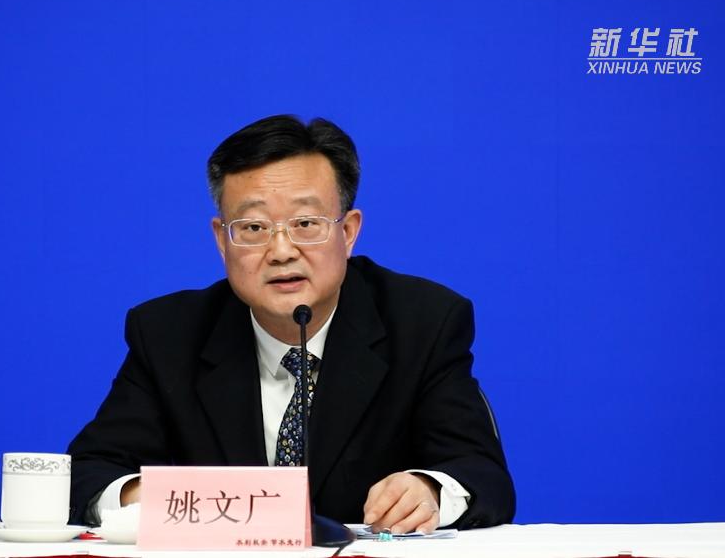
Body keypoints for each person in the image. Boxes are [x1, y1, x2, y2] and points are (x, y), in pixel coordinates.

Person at [67, 114, 515, 534]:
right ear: (222, 239)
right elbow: (87, 473)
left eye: (305, 223)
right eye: (253, 228)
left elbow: (482, 474)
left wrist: (429, 489)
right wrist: (149, 498)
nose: (281, 251)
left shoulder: (423, 322)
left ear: (348, 231)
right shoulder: (169, 334)